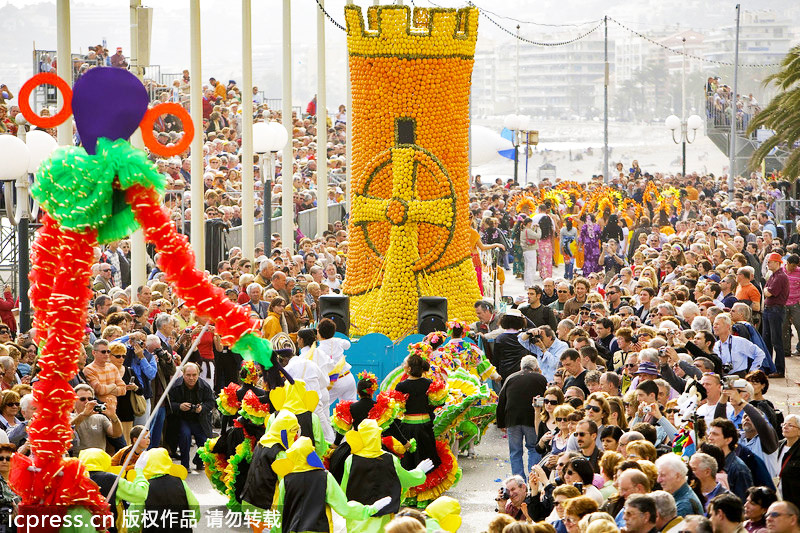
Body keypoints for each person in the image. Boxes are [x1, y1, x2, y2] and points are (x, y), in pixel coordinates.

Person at [497, 355, 548, 478]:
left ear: (521, 366)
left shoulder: (511, 378)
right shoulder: (541, 379)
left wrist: (501, 423)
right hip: (532, 419)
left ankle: (518, 480)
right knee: (533, 448)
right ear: (536, 367)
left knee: (515, 451)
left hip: (512, 419)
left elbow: (501, 401)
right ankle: (533, 478)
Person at [395, 348, 440, 473]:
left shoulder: (401, 386)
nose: (403, 366)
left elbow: (397, 408)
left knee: (409, 461)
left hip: (408, 428)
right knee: (427, 457)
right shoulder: (429, 383)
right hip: (425, 427)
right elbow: (438, 402)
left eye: (405, 364)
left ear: (409, 369)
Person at [168, 362, 215, 471]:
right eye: (188, 375)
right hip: (182, 419)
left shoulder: (205, 386)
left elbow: (211, 402)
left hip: (199, 419)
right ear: (183, 374)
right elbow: (170, 404)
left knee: (204, 441)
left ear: (198, 375)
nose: (191, 378)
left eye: (194, 375)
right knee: (185, 436)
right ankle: (185, 465)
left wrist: (202, 408)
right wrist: (179, 406)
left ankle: (199, 461)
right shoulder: (175, 386)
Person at [707, 418, 753, 500]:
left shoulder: (739, 469)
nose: (710, 438)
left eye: (715, 434)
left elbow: (742, 502)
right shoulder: (711, 462)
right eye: (710, 433)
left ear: (728, 440)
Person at [70, 383, 123, 454]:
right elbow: (68, 433)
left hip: (99, 461)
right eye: (82, 399)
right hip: (80, 461)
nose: (87, 401)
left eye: (90, 399)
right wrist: (83, 415)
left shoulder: (100, 418)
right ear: (74, 401)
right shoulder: (69, 417)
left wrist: (113, 416)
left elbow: (117, 434)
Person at [763, 253, 789, 377]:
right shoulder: (773, 275)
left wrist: (767, 291)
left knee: (776, 340)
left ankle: (779, 369)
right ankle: (769, 367)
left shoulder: (780, 277)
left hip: (776, 310)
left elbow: (769, 292)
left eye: (771, 261)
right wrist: (767, 290)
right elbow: (765, 289)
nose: (768, 264)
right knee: (767, 339)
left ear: (778, 263)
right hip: (769, 309)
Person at [83, 339, 127, 410]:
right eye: (103, 352)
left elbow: (123, 389)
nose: (106, 354)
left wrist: (106, 390)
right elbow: (99, 390)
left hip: (113, 409)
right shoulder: (89, 369)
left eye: (108, 351)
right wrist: (114, 385)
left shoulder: (112, 367)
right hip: (99, 409)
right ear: (94, 353)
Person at [777, 414, 800, 506]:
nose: (785, 427)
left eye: (790, 425)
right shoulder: (777, 445)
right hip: (777, 497)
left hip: (794, 501)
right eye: (784, 424)